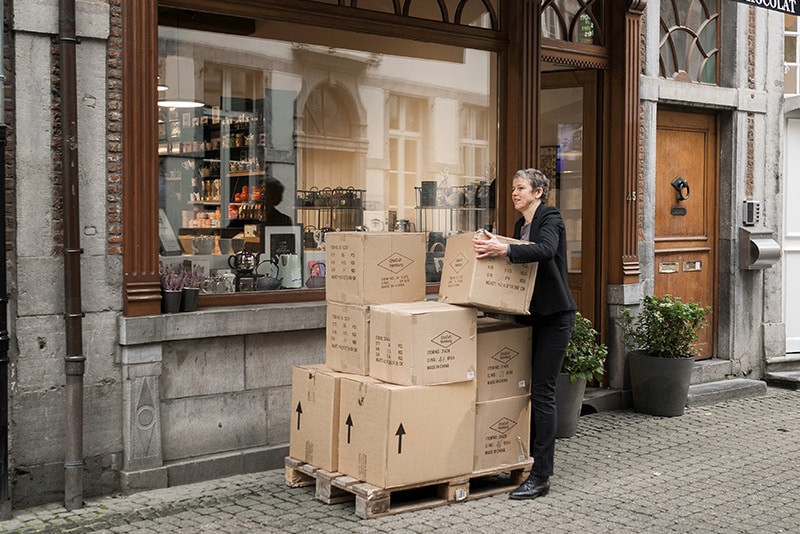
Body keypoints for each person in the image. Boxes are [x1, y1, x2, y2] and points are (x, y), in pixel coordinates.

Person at [472, 167, 576, 500]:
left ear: (538, 192)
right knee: (524, 390)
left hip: (556, 318)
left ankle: (541, 475)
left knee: (543, 393)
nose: (514, 193)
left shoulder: (550, 218)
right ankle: (523, 459)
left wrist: (504, 249)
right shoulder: (521, 226)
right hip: (531, 316)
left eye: (520, 188)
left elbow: (545, 250)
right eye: (513, 188)